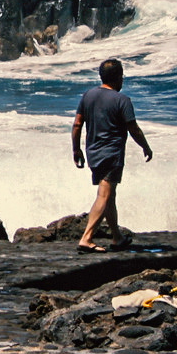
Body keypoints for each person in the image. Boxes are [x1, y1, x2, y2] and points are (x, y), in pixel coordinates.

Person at [71, 58, 152, 252]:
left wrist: (76, 149)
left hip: (93, 153)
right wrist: (146, 147)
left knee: (109, 196)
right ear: (118, 78)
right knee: (104, 194)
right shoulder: (122, 100)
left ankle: (117, 237)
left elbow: (76, 125)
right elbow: (134, 129)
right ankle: (86, 238)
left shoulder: (87, 96)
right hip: (112, 154)